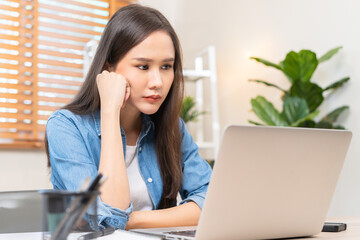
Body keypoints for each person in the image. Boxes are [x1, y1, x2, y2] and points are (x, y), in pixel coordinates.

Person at [45, 4, 212, 230]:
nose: (158, 82)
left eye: (166, 66)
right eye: (143, 66)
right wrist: (110, 112)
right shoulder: (66, 127)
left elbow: (211, 200)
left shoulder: (172, 127)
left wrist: (132, 221)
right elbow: (107, 215)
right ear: (108, 68)